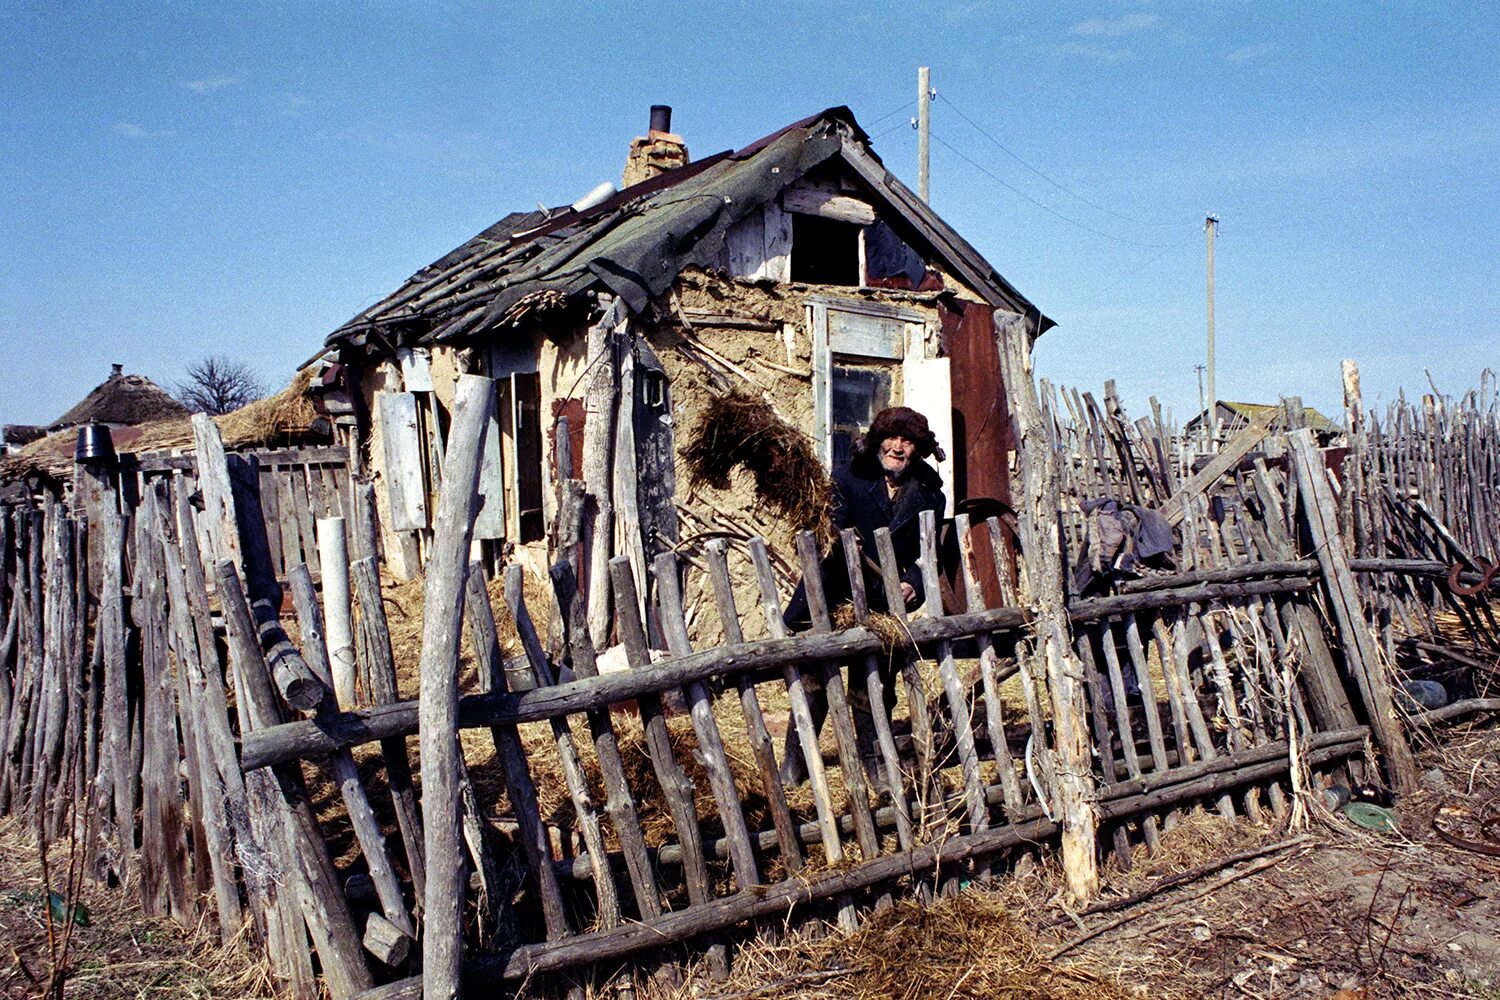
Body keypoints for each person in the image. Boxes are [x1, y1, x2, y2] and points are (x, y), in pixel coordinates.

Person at [779, 406, 946, 787]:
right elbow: (826, 528)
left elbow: (932, 554)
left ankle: (874, 765)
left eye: (908, 442)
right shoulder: (848, 476)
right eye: (892, 439)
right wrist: (840, 538)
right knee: (815, 684)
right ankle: (796, 761)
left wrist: (914, 584)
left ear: (918, 450)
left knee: (873, 687)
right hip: (832, 595)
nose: (898, 448)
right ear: (878, 441)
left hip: (883, 606)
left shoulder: (931, 495)